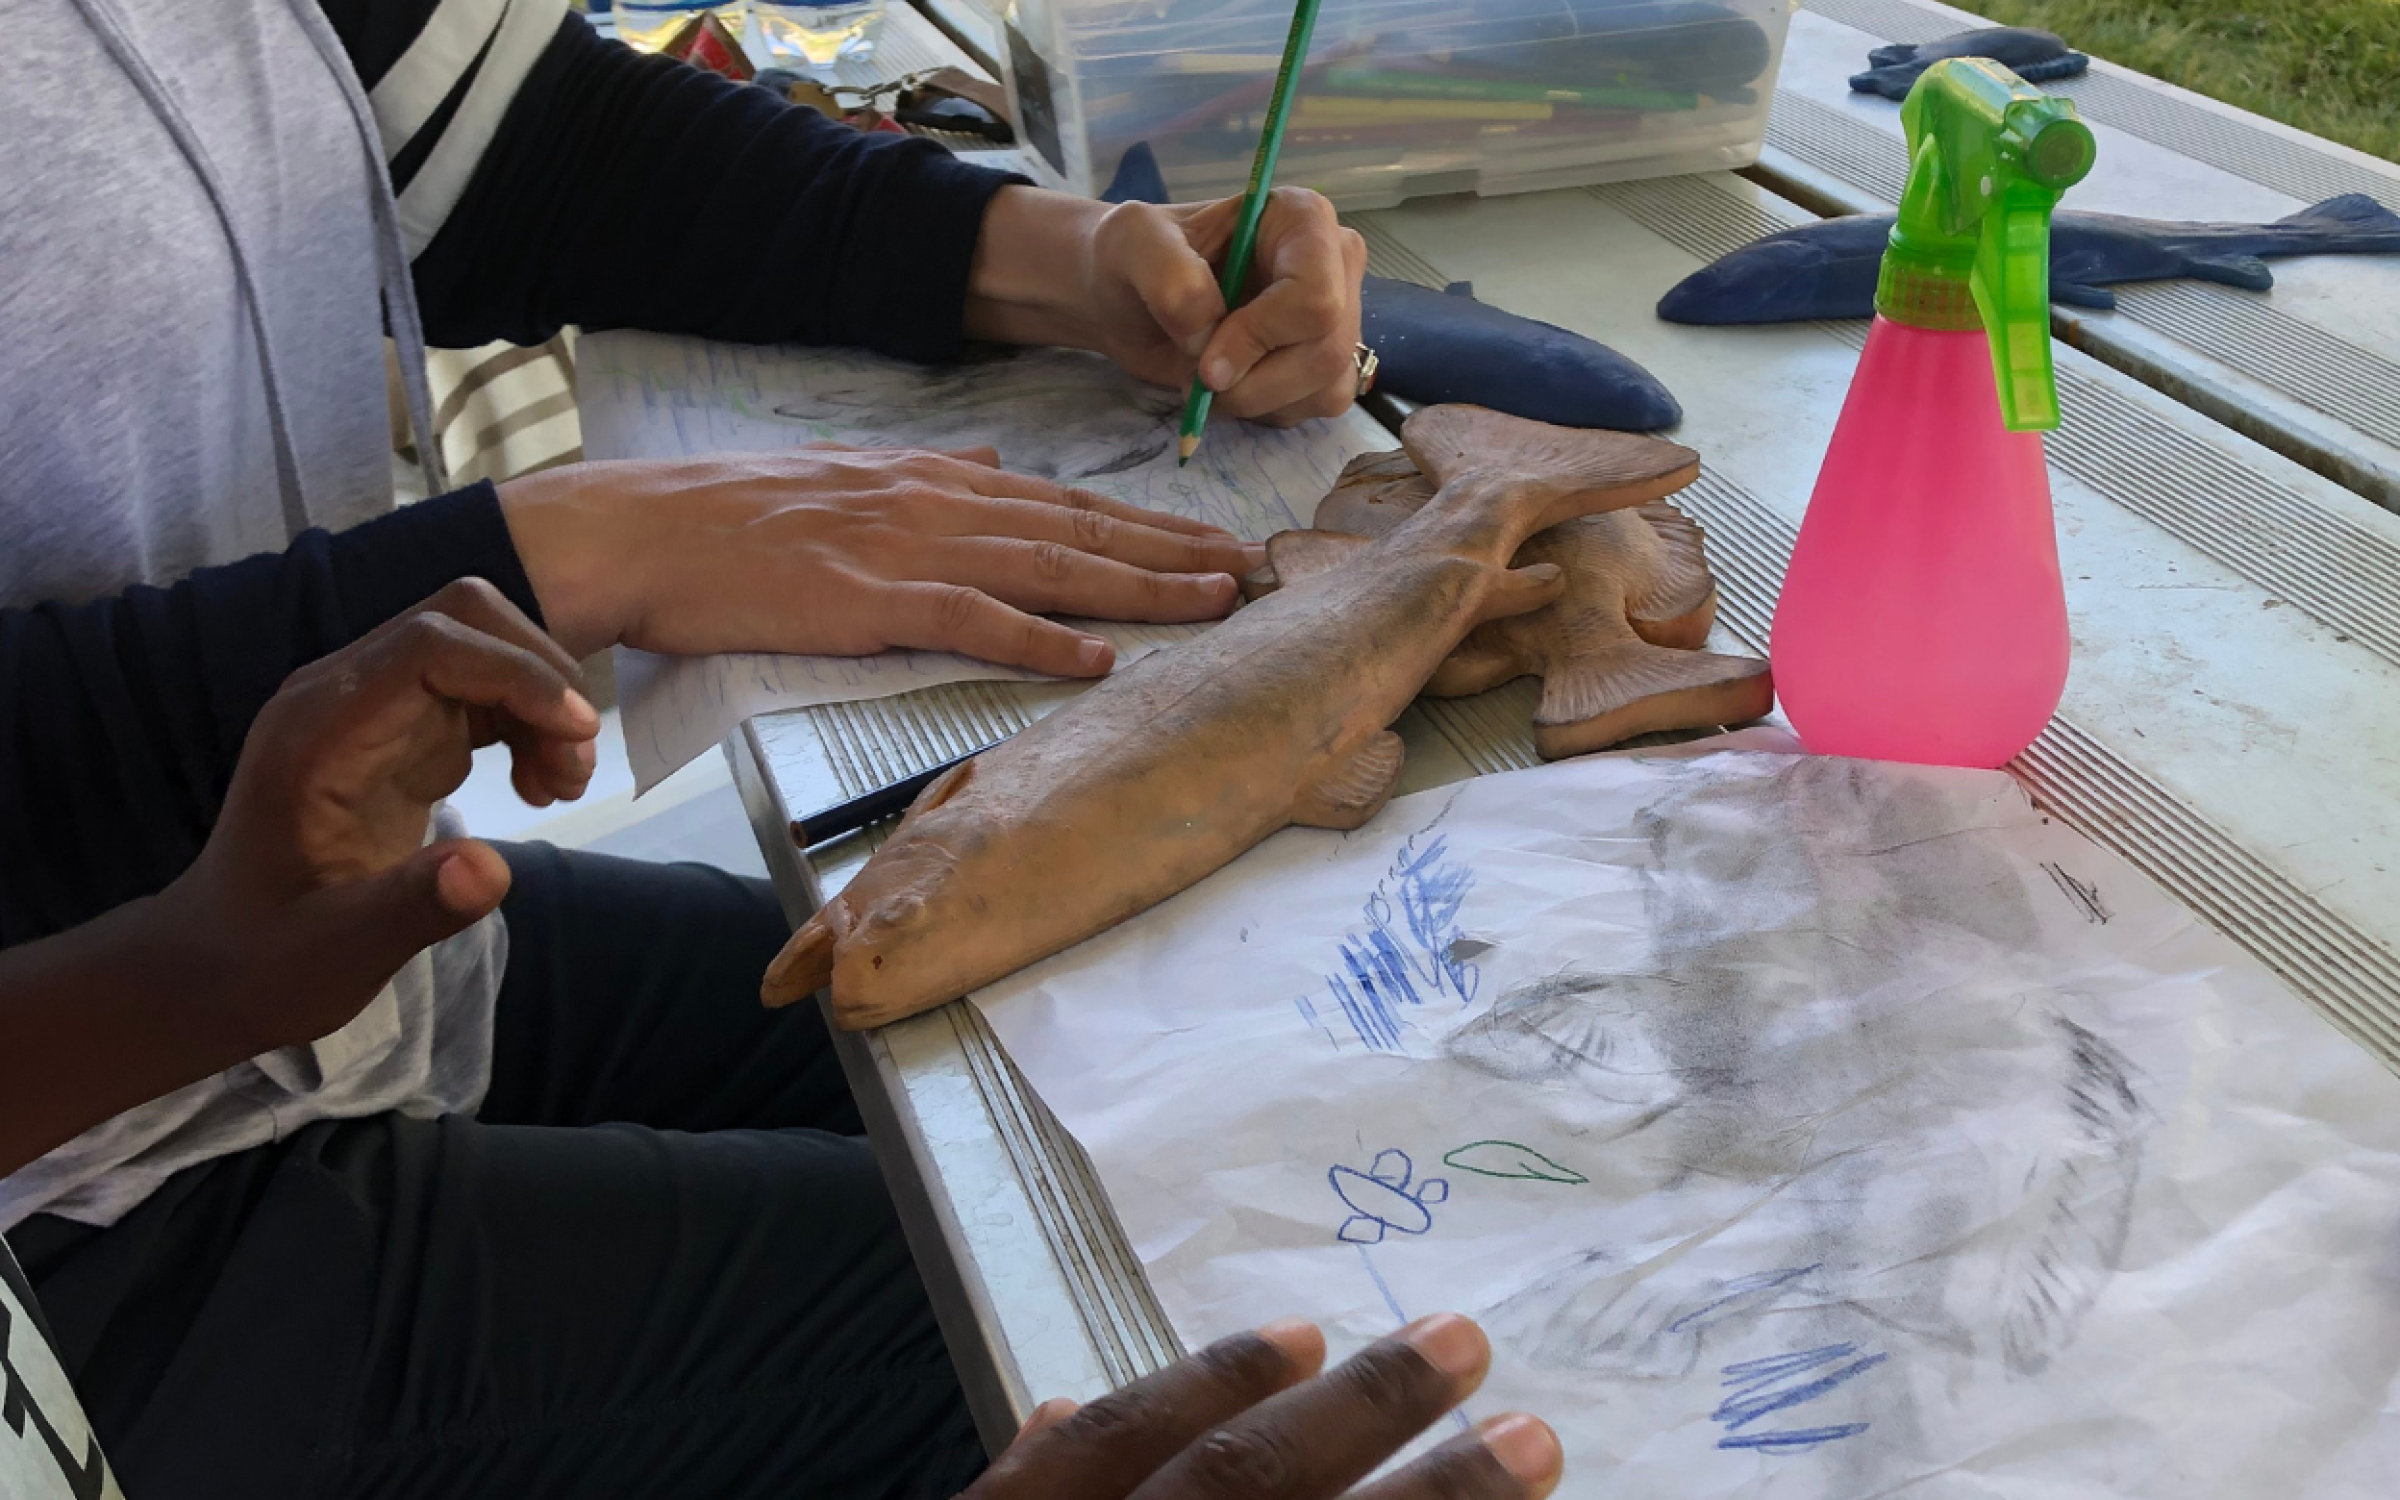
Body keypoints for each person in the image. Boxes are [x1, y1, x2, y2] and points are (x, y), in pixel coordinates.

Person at [2, 0, 1367, 1492]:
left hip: (285, 956)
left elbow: (510, 141)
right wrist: (555, 555)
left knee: (1104, 1058)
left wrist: (1067, 263)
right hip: (82, 1212)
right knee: (1164, 1340)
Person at [0, 516, 1562, 1497]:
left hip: (106, 1029)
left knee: (1057, 1068)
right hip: (111, 1312)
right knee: (1106, 1322)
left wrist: (190, 969)